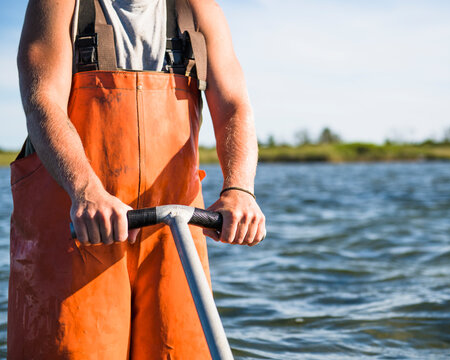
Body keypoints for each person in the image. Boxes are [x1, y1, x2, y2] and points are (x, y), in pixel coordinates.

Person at [9, 0, 265, 358]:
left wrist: (239, 189)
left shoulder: (198, 8)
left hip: (173, 236)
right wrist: (86, 190)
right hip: (76, 228)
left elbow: (234, 104)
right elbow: (41, 100)